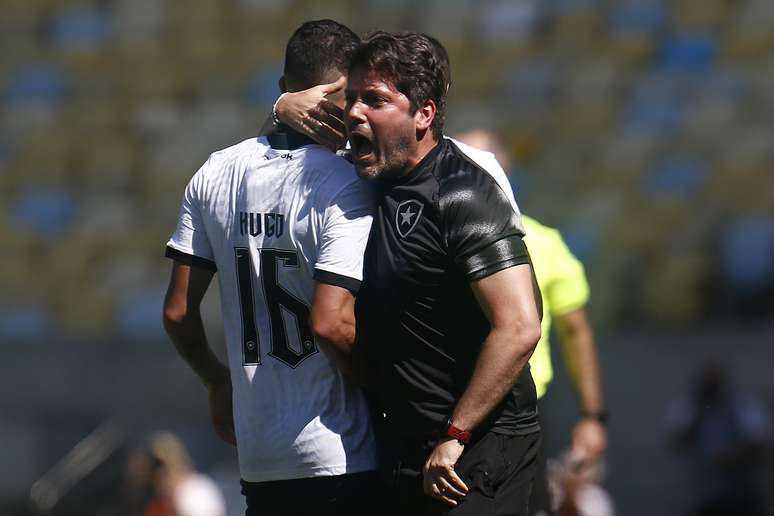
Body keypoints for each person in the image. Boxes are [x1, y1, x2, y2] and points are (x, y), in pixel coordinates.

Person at [162, 20, 378, 516]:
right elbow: (334, 323)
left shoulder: (214, 172)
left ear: (285, 88)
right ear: (348, 92)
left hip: (259, 457)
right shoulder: (349, 180)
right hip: (342, 452)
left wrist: (217, 381)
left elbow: (177, 312)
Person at [341, 31, 543, 515]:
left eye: (375, 100)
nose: (354, 113)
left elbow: (519, 327)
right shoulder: (373, 180)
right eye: (351, 99)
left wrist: (456, 435)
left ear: (424, 114)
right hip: (409, 448)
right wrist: (285, 106)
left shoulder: (461, 194)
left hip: (476, 450)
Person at [455, 129, 607, 516]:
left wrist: (592, 415)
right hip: (485, 409)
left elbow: (577, 331)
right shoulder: (541, 240)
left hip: (506, 410)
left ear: (499, 167)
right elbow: (576, 330)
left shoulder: (542, 242)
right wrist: (592, 417)